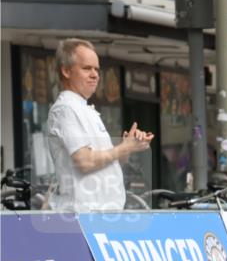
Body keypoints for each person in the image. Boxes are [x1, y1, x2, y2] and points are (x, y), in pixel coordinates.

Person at [45, 38, 154, 211]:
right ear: (66, 71)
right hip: (81, 217)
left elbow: (106, 164)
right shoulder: (66, 109)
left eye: (97, 69)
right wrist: (123, 148)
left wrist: (129, 146)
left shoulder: (84, 108)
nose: (95, 74)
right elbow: (85, 162)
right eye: (87, 68)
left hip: (101, 215)